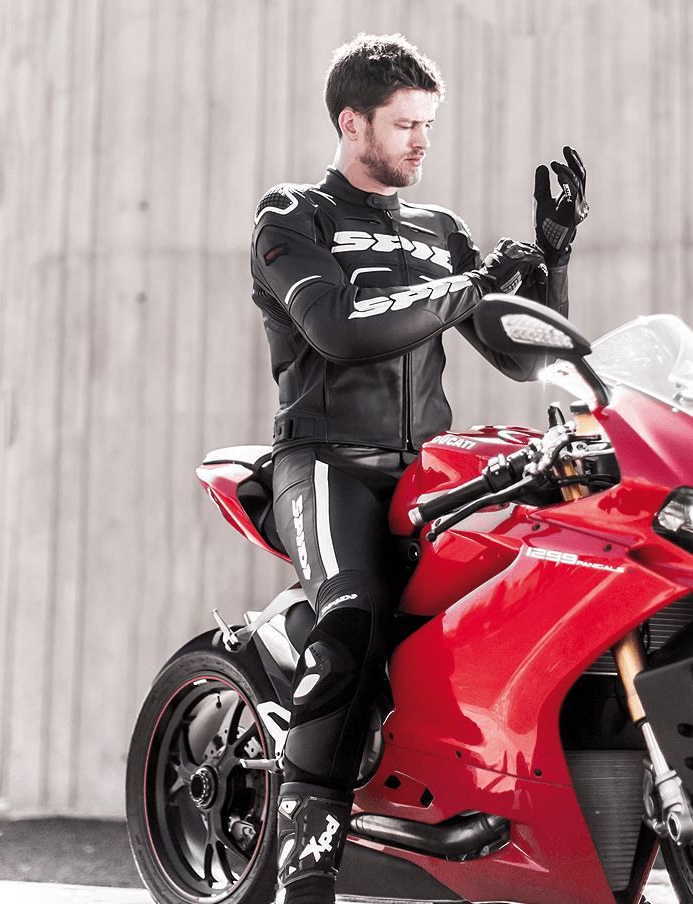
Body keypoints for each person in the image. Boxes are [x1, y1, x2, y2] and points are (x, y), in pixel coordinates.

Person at [249, 33, 588, 904]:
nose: (422, 141)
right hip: (327, 463)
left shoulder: (442, 233)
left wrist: (551, 260)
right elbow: (338, 330)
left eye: (429, 124)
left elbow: (521, 360)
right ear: (351, 122)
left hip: (430, 473)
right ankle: (305, 869)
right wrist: (472, 284)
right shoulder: (292, 216)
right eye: (405, 125)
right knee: (355, 623)